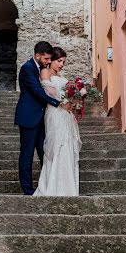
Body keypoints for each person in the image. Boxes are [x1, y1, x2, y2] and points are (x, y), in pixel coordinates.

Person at [14, 41, 72, 195]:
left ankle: (48, 185)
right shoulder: (27, 68)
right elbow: (37, 91)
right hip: (29, 116)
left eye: (49, 59)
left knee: (44, 152)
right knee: (27, 153)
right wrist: (58, 103)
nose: (48, 61)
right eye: (46, 59)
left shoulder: (41, 68)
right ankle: (27, 190)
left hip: (42, 117)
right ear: (37, 55)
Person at [34, 46, 82, 196]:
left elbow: (68, 92)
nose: (61, 64)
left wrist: (75, 99)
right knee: (56, 144)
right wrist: (63, 101)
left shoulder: (63, 77)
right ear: (52, 60)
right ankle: (52, 185)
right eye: (59, 61)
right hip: (54, 112)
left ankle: (67, 187)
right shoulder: (45, 72)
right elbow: (49, 91)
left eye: (64, 62)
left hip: (66, 114)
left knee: (67, 144)